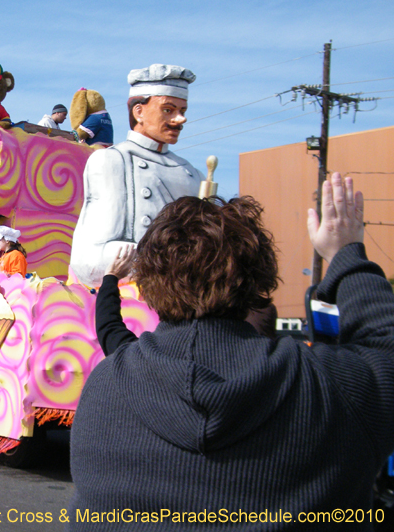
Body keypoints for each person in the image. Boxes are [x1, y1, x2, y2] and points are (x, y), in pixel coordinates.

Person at [69, 173, 394, 529]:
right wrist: (345, 254)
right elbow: (384, 346)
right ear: (260, 283)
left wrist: (111, 280)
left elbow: (111, 329)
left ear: (146, 288)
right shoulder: (326, 386)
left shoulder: (106, 385)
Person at [70, 64, 206, 287]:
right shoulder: (112, 161)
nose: (180, 120)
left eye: (183, 111)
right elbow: (88, 262)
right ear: (139, 112)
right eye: (168, 110)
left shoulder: (193, 174)